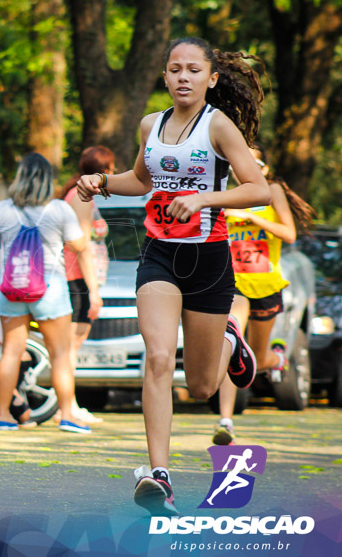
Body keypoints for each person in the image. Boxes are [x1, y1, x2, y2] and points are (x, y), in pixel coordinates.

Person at [77, 36, 270, 517]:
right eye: (174, 69)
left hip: (208, 259)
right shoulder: (152, 124)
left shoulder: (219, 126)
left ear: (211, 78)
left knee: (203, 386)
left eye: (193, 70)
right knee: (160, 357)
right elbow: (140, 181)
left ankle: (230, 339)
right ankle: (158, 473)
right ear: (164, 76)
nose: (183, 77)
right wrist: (101, 182)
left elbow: (259, 189)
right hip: (160, 255)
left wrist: (204, 198)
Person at [0, 153, 96, 435]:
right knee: (60, 354)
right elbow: (79, 245)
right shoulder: (59, 209)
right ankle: (67, 415)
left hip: (13, 286)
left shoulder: (1, 208)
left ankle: (4, 416)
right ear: (48, 180)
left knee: (10, 352)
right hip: (51, 289)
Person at [213, 146, 316, 444]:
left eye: (250, 159)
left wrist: (251, 218)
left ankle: (277, 357)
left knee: (256, 357)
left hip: (267, 285)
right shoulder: (227, 193)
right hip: (234, 284)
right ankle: (226, 421)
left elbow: (289, 233)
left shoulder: (271, 191)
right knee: (232, 346)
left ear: (263, 167)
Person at [61, 146, 114, 425]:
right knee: (70, 346)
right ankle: (68, 406)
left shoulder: (80, 195)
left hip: (81, 278)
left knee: (73, 346)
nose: (114, 174)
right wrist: (93, 290)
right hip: (77, 279)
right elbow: (80, 247)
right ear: (101, 171)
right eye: (111, 168)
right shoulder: (81, 198)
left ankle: (70, 404)